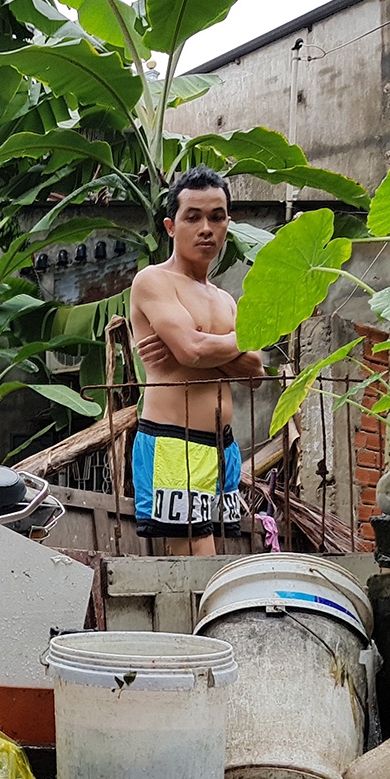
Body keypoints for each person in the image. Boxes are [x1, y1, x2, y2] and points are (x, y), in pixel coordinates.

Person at [128, 165, 264, 555]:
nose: (206, 228)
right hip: (174, 441)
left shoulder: (225, 300)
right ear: (171, 226)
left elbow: (255, 372)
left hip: (223, 448)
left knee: (214, 558)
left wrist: (204, 349)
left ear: (227, 225)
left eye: (216, 217)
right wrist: (232, 345)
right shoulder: (154, 281)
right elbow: (192, 351)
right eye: (193, 217)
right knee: (197, 561)